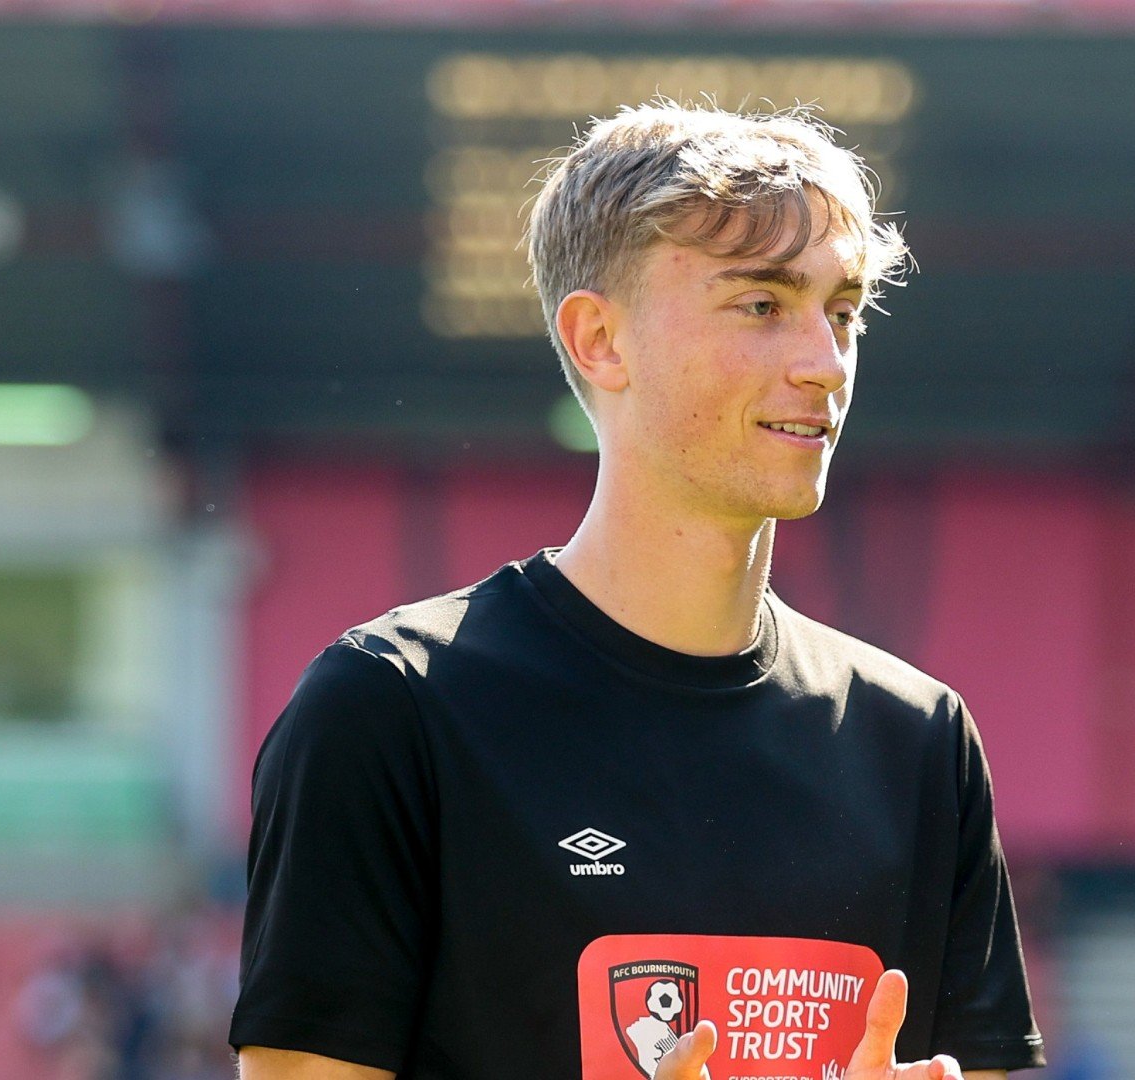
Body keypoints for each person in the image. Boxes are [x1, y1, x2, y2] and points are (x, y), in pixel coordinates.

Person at [229, 101, 1045, 1080]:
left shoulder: (919, 740)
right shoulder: (390, 711)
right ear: (600, 341)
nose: (826, 365)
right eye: (762, 305)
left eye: (842, 311)